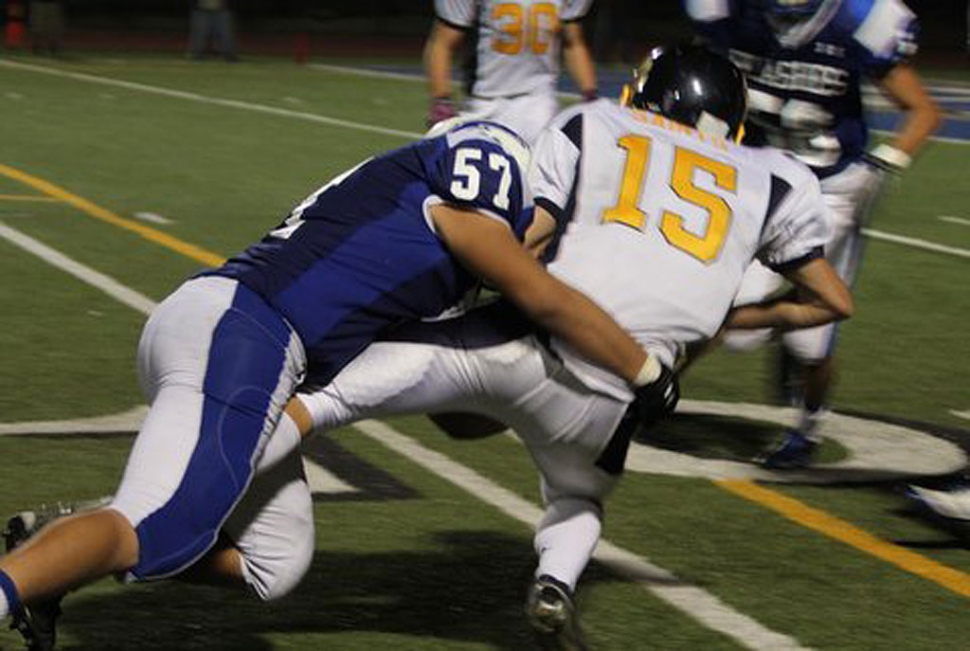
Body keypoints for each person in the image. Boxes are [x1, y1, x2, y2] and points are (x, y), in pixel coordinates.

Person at [157, 45, 851, 651]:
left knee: (315, 403)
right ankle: (554, 582)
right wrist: (725, 317)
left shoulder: (594, 123)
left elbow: (529, 246)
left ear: (647, 94)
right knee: (581, 498)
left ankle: (161, 507)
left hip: (524, 343)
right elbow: (832, 301)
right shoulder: (777, 177)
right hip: (614, 400)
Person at [0, 119, 669, 651]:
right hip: (248, 331)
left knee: (275, 561)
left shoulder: (433, 258)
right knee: (157, 522)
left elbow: (455, 410)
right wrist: (642, 369)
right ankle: (25, 578)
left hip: (243, 339)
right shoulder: (488, 160)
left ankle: (61, 555)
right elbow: (540, 291)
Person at [684, 0, 941, 469]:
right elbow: (704, 76)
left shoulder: (858, 18)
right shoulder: (728, 12)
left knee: (811, 343)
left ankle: (809, 426)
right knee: (725, 319)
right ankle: (651, 386)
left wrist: (883, 165)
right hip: (758, 176)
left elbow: (923, 111)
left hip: (832, 190)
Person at [423, 0, 599, 144]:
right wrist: (441, 100)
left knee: (542, 181)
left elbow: (573, 42)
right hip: (484, 103)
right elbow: (442, 44)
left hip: (539, 102)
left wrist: (589, 94)